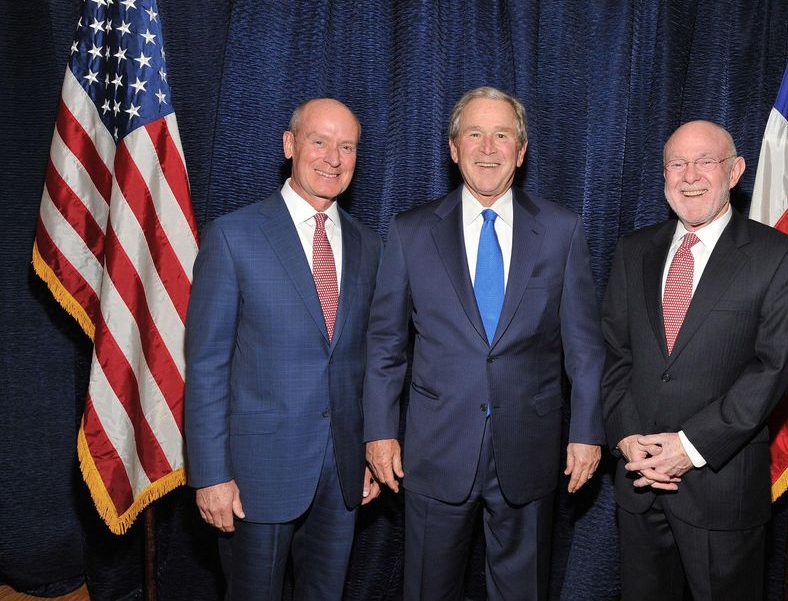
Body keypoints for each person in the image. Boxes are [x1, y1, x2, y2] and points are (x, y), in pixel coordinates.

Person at [363, 86, 604, 600]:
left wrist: (587, 431)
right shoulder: (410, 232)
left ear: (521, 151)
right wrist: (380, 431)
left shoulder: (562, 230)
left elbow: (584, 347)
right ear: (453, 149)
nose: (488, 148)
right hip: (434, 450)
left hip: (530, 448)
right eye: (474, 134)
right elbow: (386, 344)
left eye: (502, 135)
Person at [601, 120, 788, 600]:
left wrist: (689, 448)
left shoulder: (778, 256)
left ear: (734, 171)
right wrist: (626, 436)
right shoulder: (634, 251)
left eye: (705, 162)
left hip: (720, 487)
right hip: (638, 482)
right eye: (677, 163)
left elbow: (772, 369)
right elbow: (614, 353)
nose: (689, 175)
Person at [184, 98, 382, 600]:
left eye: (347, 146)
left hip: (340, 477)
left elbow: (368, 361)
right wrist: (210, 475)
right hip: (254, 475)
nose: (332, 158)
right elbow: (207, 365)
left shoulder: (370, 246)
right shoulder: (233, 236)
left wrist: (365, 451)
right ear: (290, 145)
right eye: (319, 142)